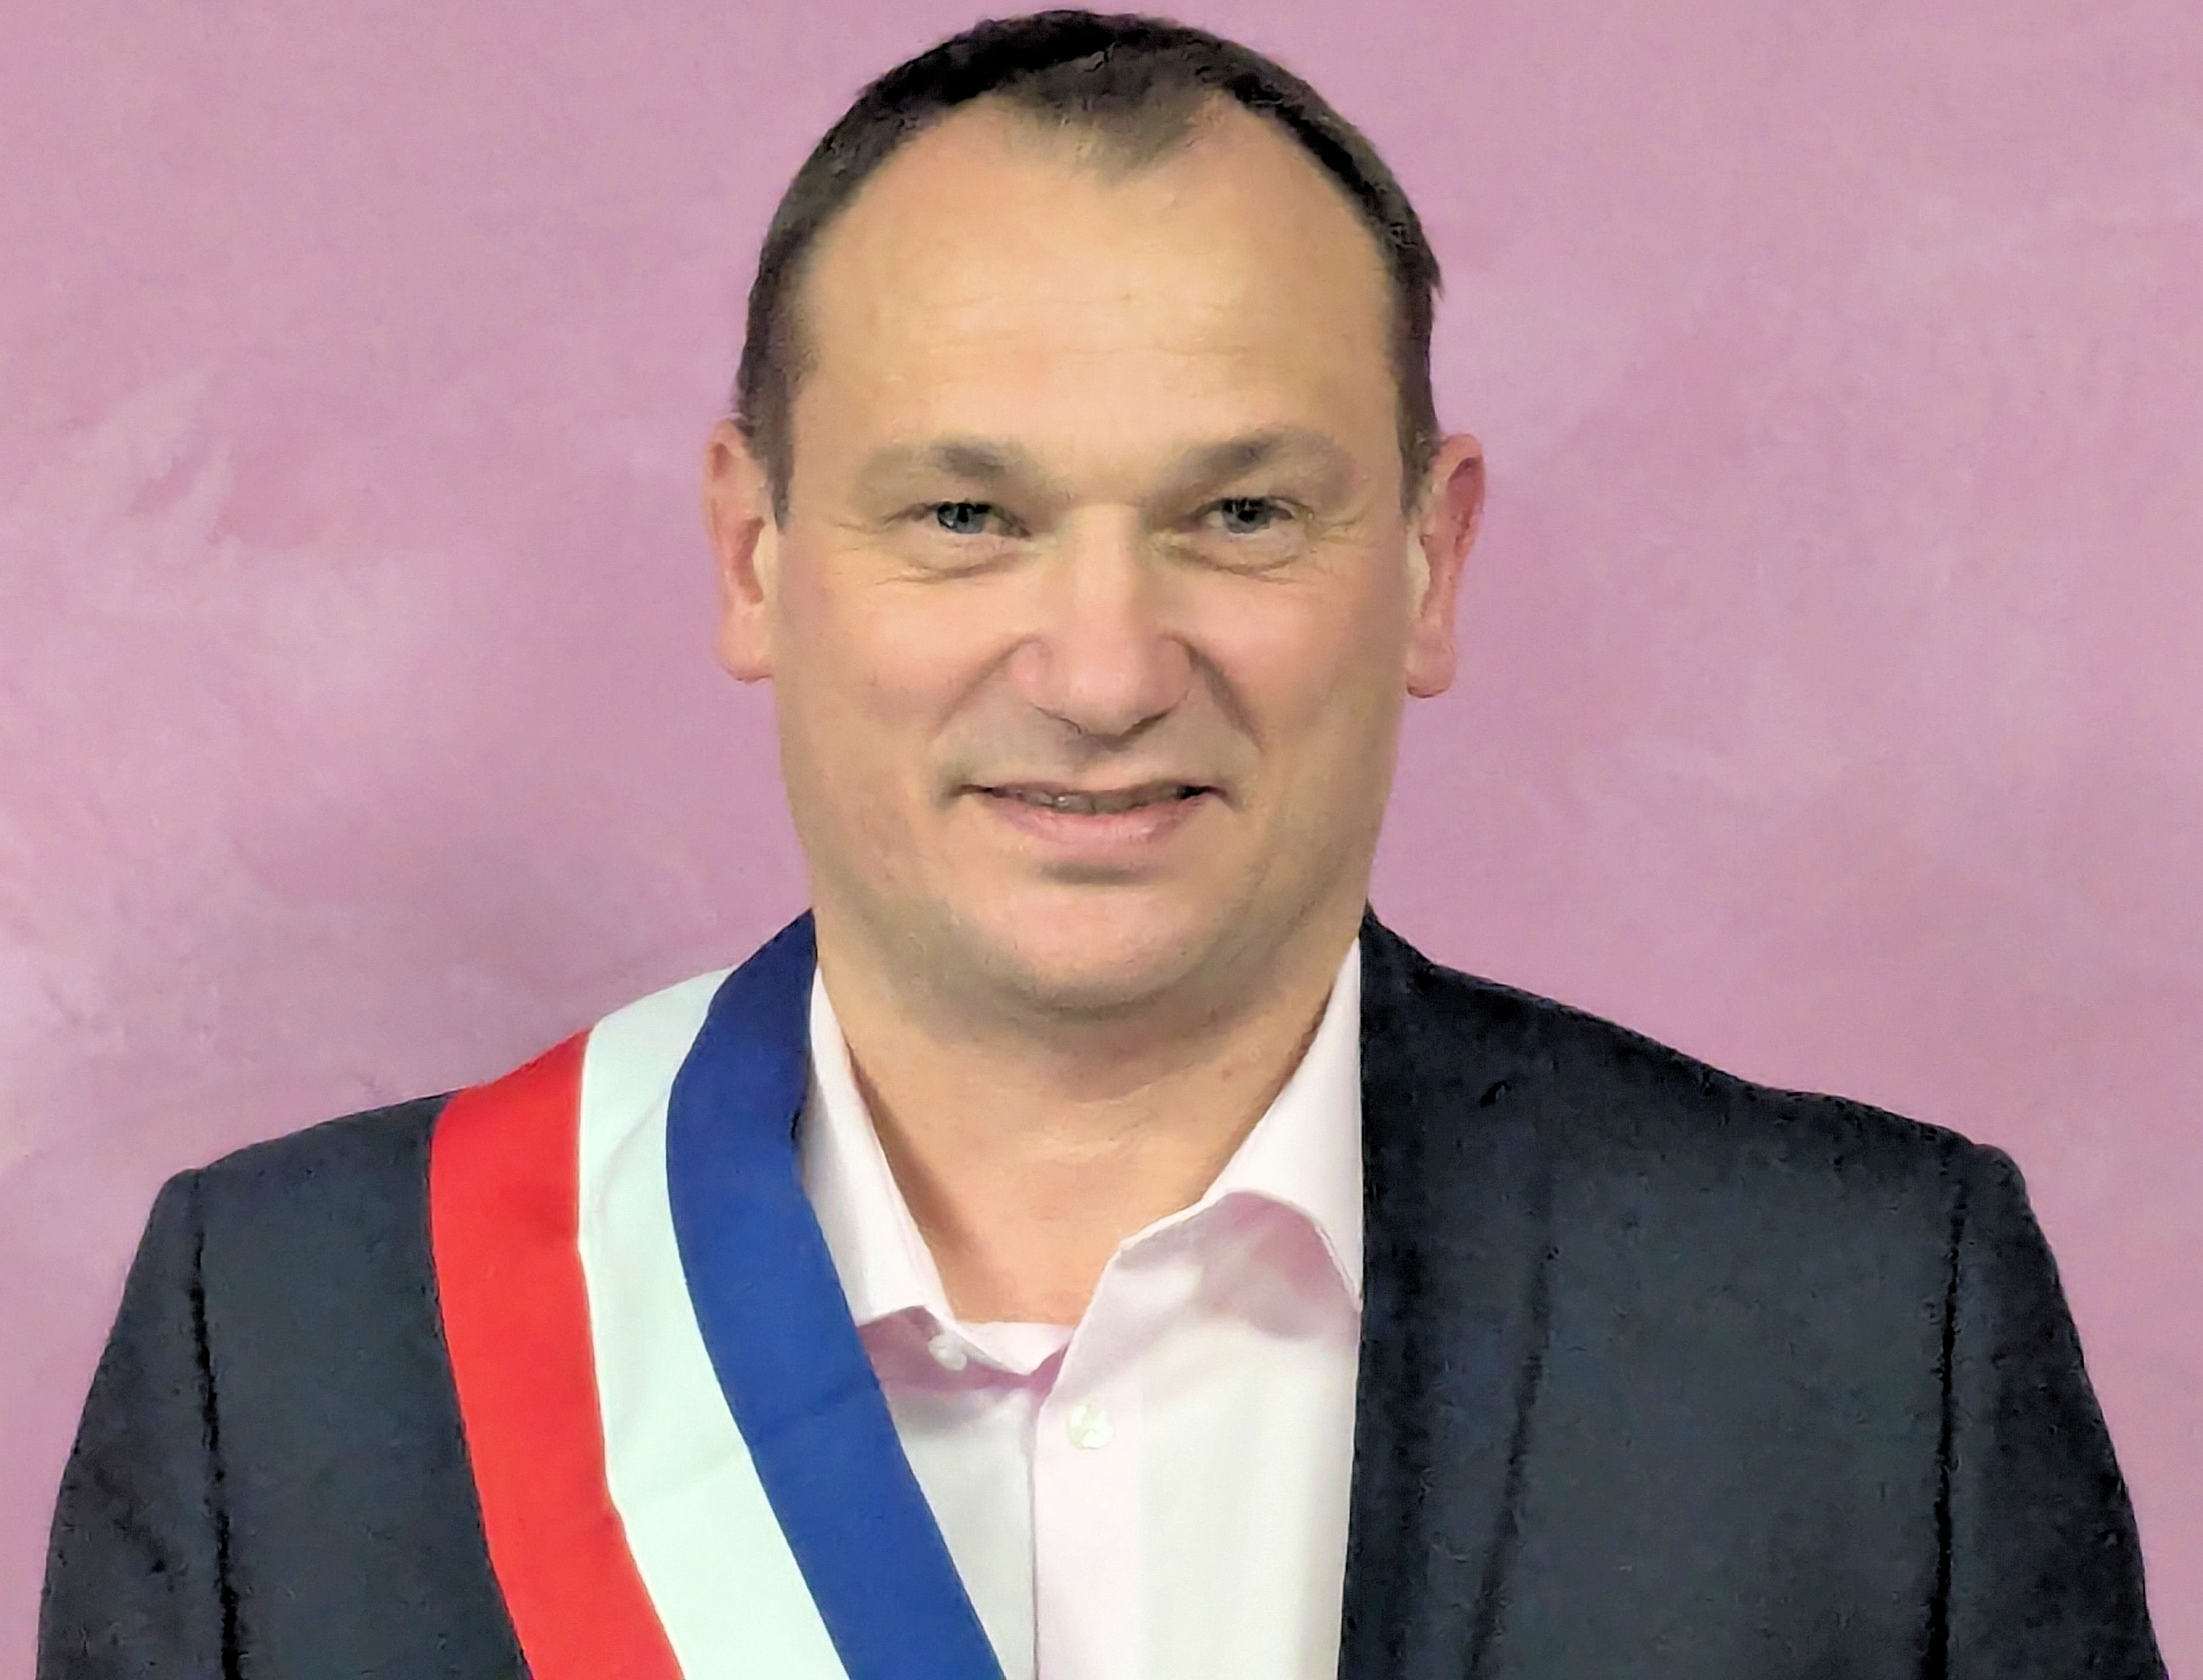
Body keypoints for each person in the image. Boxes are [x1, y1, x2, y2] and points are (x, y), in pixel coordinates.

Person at [38, 10, 2166, 1679]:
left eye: (1241, 514)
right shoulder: (292, 1354)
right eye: (966, 515)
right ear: (755, 554)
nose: (1103, 667)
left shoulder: (1867, 1333)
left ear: (1428, 567)